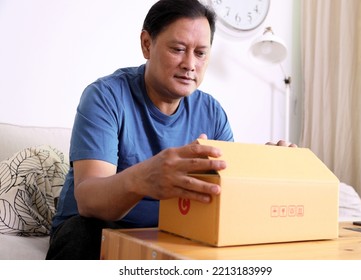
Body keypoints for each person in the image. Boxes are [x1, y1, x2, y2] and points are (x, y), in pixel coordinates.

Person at [46, 0, 295, 260]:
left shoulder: (211, 112)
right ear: (146, 44)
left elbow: (227, 194)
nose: (190, 64)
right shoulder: (105, 97)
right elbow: (89, 200)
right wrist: (143, 177)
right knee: (82, 232)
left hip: (172, 233)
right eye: (178, 49)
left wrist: (265, 170)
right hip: (96, 230)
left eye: (200, 53)